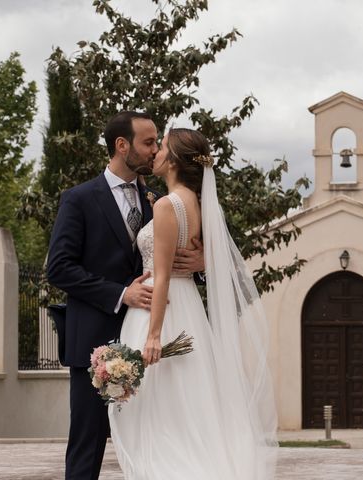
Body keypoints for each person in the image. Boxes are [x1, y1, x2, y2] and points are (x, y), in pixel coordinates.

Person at [108, 128, 278, 479]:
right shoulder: (193, 203)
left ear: (173, 160)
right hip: (186, 307)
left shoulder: (170, 205)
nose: (154, 153)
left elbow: (165, 275)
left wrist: (154, 336)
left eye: (162, 147)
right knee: (182, 407)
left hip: (164, 307)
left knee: (161, 413)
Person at [47, 112, 204, 480]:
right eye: (148, 143)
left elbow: (176, 254)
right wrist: (121, 294)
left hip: (152, 337)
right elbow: (59, 268)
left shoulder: (159, 199)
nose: (154, 151)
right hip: (94, 340)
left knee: (161, 433)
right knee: (88, 441)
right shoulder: (79, 199)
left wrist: (201, 262)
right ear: (122, 145)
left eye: (156, 144)